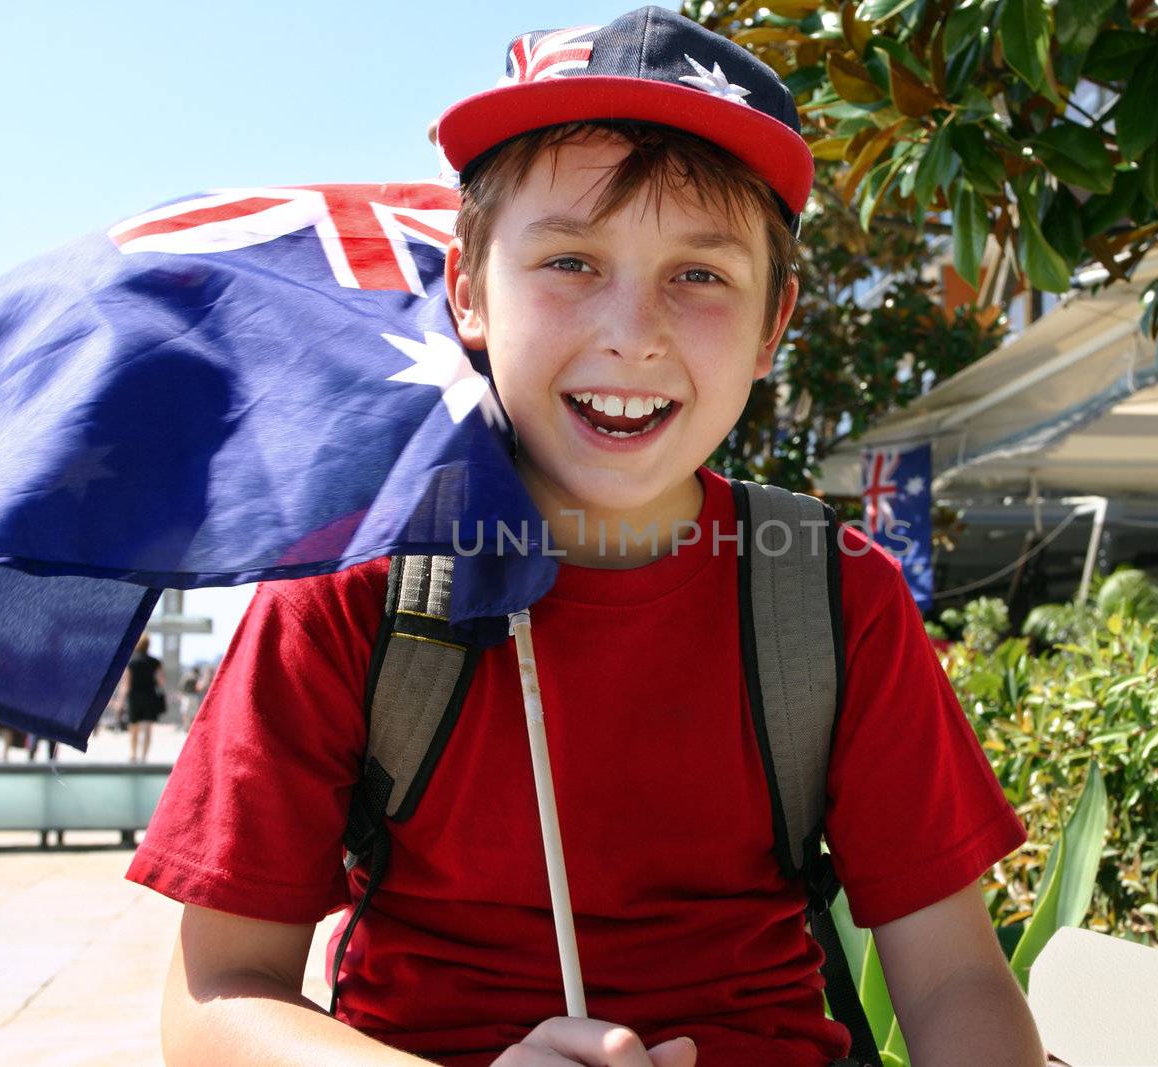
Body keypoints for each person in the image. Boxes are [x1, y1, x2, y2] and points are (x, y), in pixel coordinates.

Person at [127, 8, 1043, 1066]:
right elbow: (212, 998)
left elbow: (956, 978)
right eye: (569, 260)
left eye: (700, 275)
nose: (632, 330)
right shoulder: (344, 585)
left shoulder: (833, 593)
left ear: (772, 326)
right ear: (469, 291)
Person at [124, 634, 166, 763]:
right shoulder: (155, 662)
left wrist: (120, 702)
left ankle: (133, 754)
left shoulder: (131, 662)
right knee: (147, 728)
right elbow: (161, 681)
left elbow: (127, 683)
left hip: (134, 697)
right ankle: (144, 756)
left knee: (133, 727)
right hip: (150, 696)